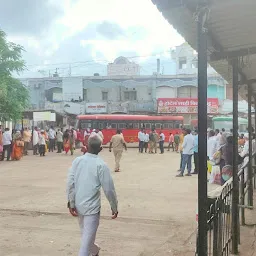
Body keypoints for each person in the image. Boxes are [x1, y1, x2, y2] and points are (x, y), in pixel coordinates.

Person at [67, 135, 118, 256]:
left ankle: (94, 251)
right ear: (100, 149)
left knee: (86, 238)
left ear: (86, 145)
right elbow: (109, 189)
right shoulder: (101, 165)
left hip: (79, 205)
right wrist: (114, 206)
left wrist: (71, 202)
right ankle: (94, 251)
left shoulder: (77, 161)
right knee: (86, 242)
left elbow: (70, 183)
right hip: (92, 209)